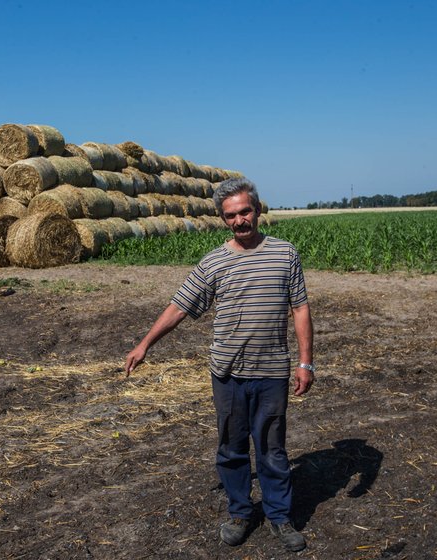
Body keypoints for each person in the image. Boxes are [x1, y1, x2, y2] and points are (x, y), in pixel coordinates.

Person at [124, 178, 314, 552]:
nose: (240, 220)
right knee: (231, 447)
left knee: (273, 449)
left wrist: (306, 363)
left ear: (258, 209)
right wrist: (146, 343)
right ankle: (240, 512)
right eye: (231, 216)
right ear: (223, 220)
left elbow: (301, 309)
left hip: (272, 370)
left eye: (245, 211)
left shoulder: (285, 254)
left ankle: (279, 516)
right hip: (227, 374)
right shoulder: (214, 262)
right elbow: (180, 306)